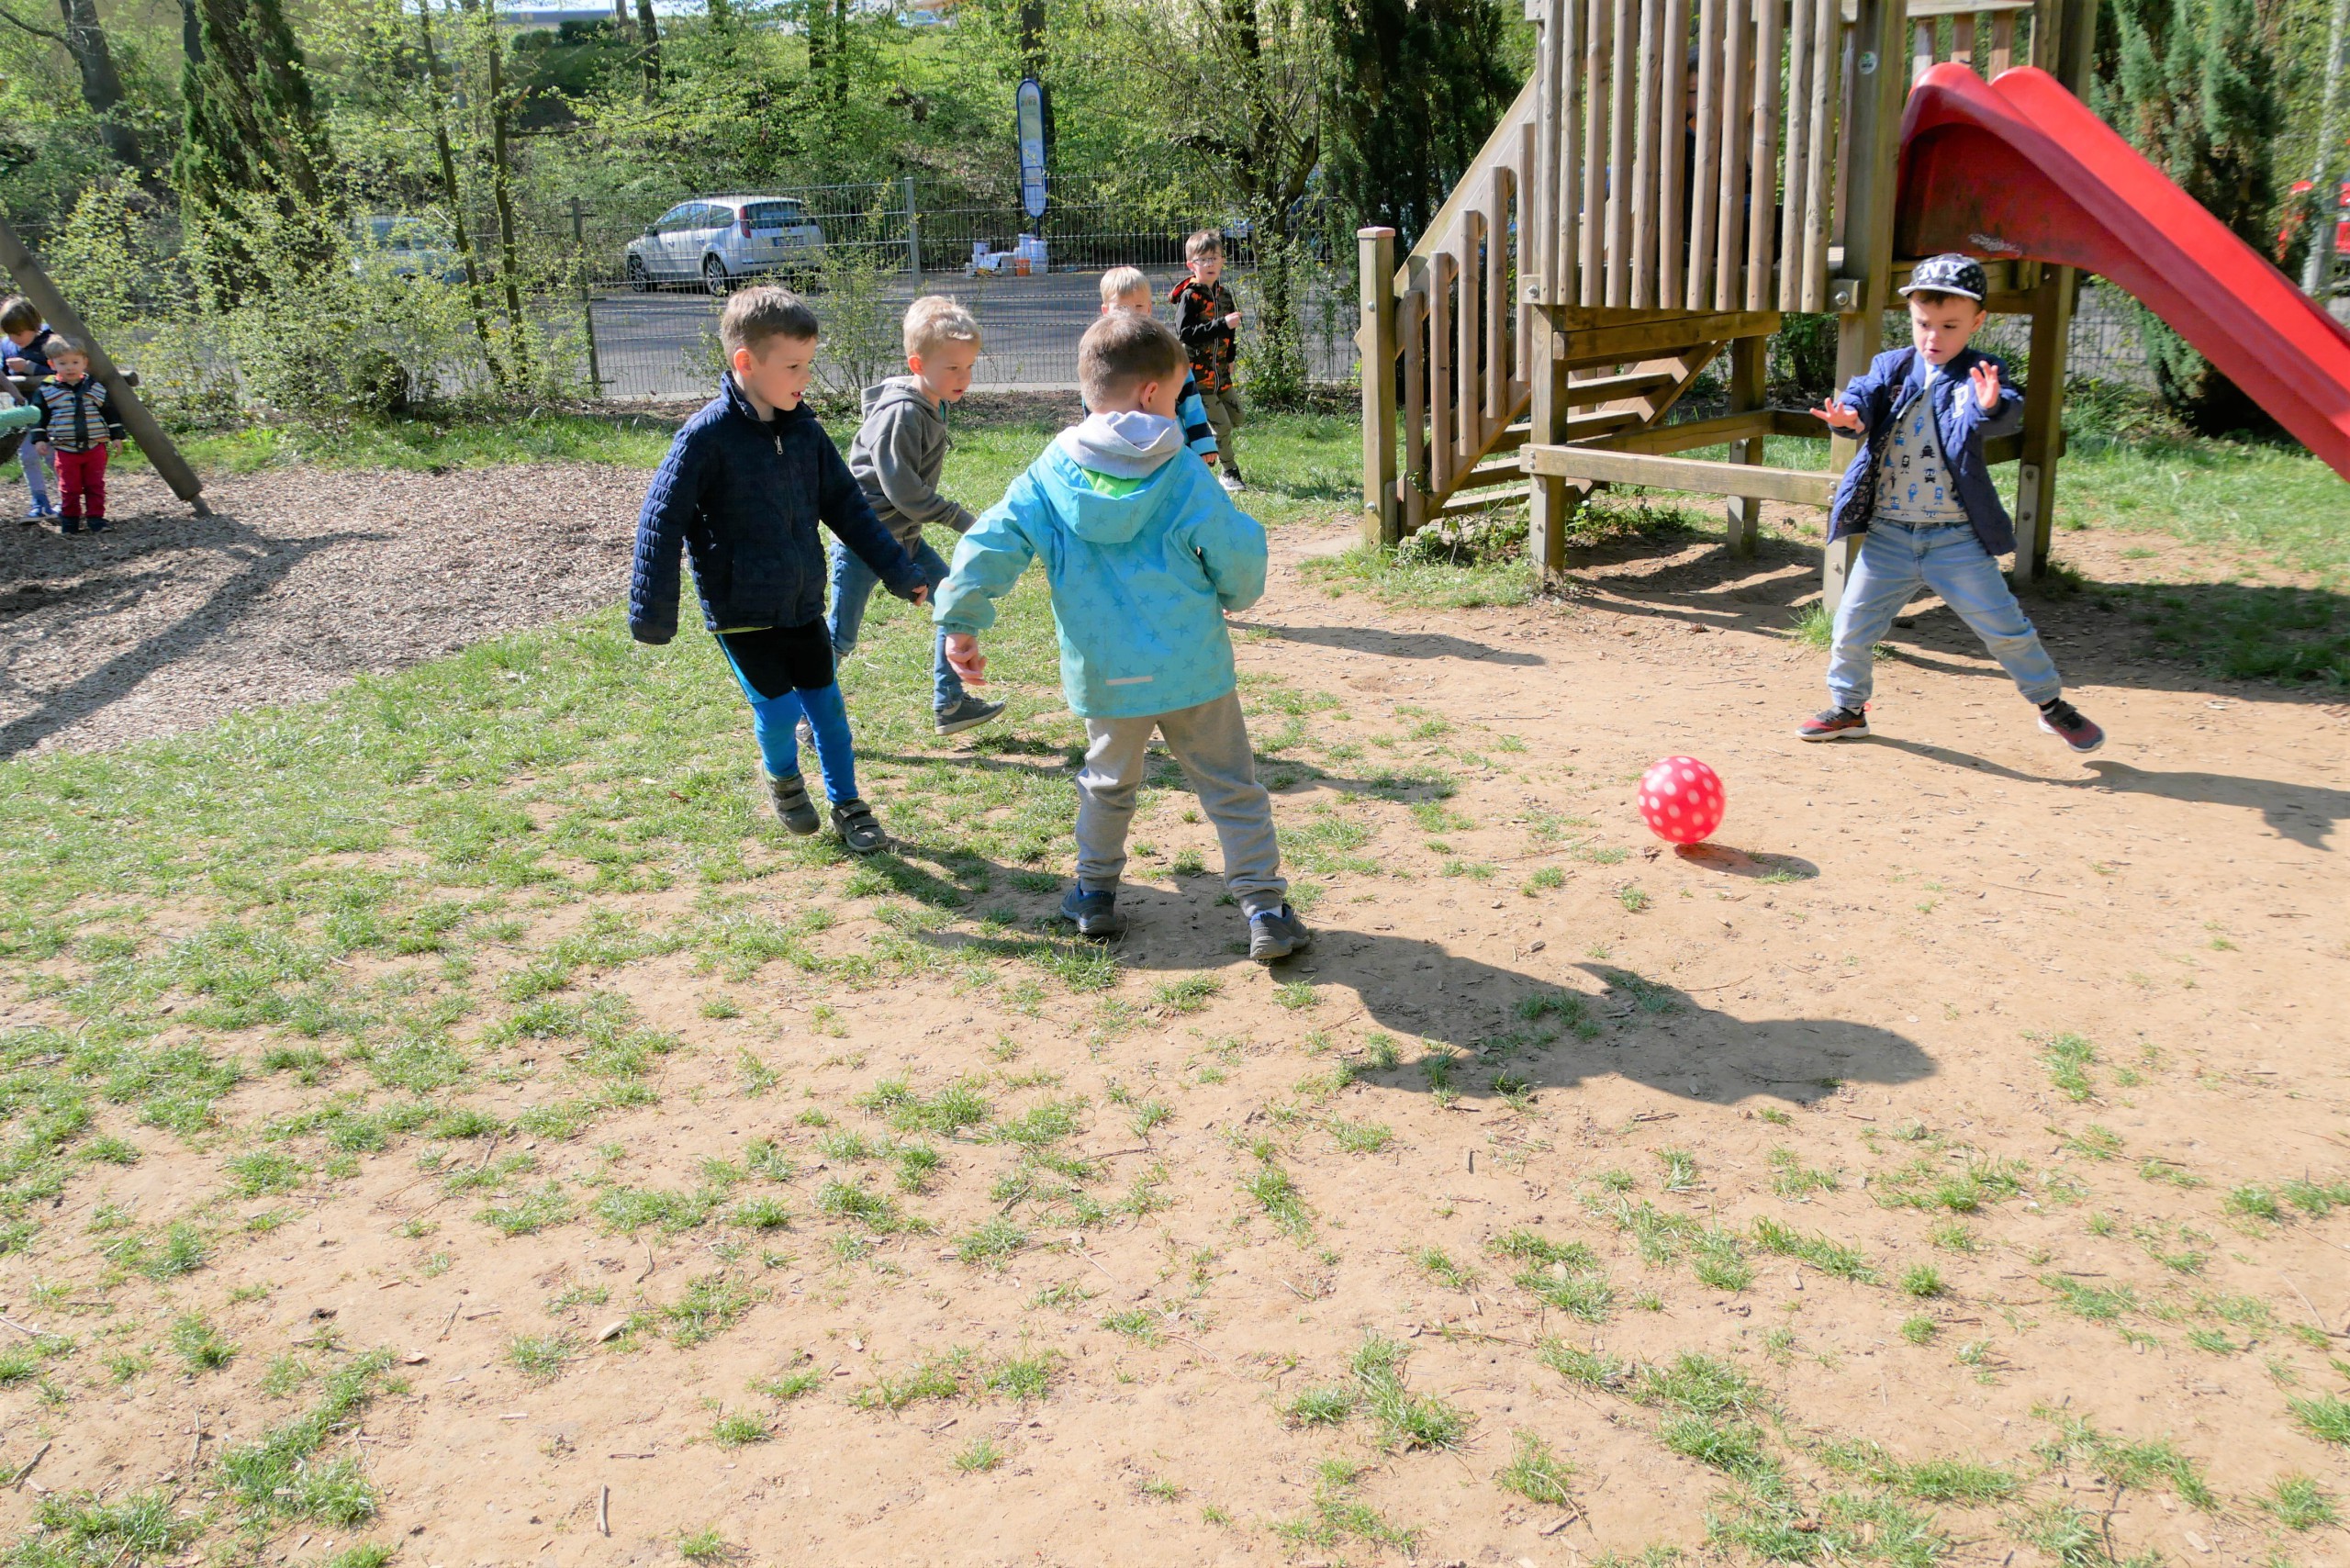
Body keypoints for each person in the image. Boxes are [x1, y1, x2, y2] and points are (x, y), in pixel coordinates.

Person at [933, 311, 1310, 963]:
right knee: (1230, 785)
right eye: (1178, 395)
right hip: (1193, 668)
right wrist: (1238, 594)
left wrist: (960, 620)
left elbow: (990, 540)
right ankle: (1266, 910)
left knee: (1107, 782)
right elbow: (1237, 553)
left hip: (1105, 672)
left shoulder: (1049, 473)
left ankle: (1094, 894)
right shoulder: (1183, 471)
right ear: (1151, 393)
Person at [629, 286, 932, 856]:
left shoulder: (805, 433)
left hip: (801, 604)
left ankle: (849, 804)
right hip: (741, 610)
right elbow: (660, 519)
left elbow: (849, 508)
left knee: (829, 712)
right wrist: (652, 612)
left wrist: (898, 568)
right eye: (793, 366)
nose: (805, 378)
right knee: (778, 709)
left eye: (808, 364)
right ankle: (785, 780)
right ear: (747, 362)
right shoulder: (705, 437)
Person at [1800, 253, 2103, 753]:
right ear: (1911, 317)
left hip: (1955, 537)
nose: (1933, 337)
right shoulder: (1893, 366)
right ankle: (1849, 709)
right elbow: (1862, 397)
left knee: (2005, 628)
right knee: (1851, 626)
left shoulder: (1978, 375)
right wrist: (1849, 417)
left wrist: (1992, 404)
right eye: (1924, 324)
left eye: (1949, 326)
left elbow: (1999, 411)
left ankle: (2051, 705)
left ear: (1976, 322)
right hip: (1890, 534)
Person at [836, 295, 1005, 737]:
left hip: (904, 537)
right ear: (917, 364)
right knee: (841, 637)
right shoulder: (903, 414)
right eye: (953, 368)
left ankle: (950, 705)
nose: (964, 378)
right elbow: (906, 493)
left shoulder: (934, 401)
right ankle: (802, 716)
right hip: (864, 541)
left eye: (969, 366)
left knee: (954, 604)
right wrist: (963, 519)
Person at [1097, 266, 1217, 467]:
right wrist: (1097, 445)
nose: (1131, 314)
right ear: (1106, 311)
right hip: (1122, 449)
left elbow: (1190, 396)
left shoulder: (1165, 350)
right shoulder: (1102, 354)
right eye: (1122, 308)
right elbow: (1094, 402)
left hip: (1170, 445)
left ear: (1149, 309)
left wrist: (1202, 441)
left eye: (1138, 306)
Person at [1169, 230, 1245, 493]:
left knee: (1237, 418)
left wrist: (1230, 357)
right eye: (1203, 259)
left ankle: (1198, 447)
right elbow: (1184, 333)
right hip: (1198, 375)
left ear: (1223, 260)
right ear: (1192, 265)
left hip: (1221, 373)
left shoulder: (1224, 296)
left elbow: (1230, 333)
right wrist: (1222, 324)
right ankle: (1229, 471)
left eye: (1214, 258)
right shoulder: (1190, 296)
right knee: (1222, 426)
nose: (1209, 264)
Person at [32, 338, 124, 535]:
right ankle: (70, 521)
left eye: (75, 362)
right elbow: (39, 416)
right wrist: (39, 439)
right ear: (52, 364)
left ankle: (96, 519)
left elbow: (109, 412)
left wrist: (116, 436)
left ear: (84, 362)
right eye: (63, 363)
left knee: (95, 485)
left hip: (95, 446)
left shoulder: (95, 387)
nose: (70, 367)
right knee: (69, 487)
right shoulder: (47, 390)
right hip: (65, 448)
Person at [2, 297, 59, 522]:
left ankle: (68, 499)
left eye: (18, 334)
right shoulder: (6, 345)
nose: (13, 339)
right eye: (9, 334)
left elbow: (64, 370)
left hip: (52, 412)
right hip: (24, 413)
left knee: (52, 456)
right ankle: (40, 502)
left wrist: (29, 367)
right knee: (27, 456)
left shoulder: (51, 342)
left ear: (34, 326)